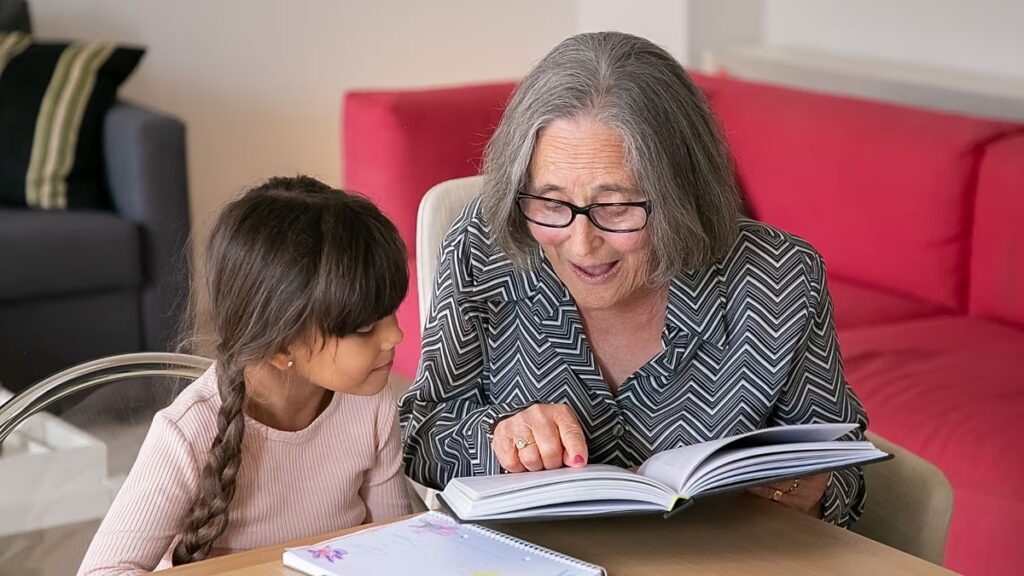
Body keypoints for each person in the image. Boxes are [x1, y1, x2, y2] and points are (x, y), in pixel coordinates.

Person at [400, 32, 869, 526]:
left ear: (681, 194)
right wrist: (498, 437)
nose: (581, 245)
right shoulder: (485, 246)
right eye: (552, 204)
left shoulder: (779, 276)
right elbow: (421, 432)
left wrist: (808, 489)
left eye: (617, 207)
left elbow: (843, 464)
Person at [79, 176, 411, 574]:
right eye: (364, 328)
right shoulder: (188, 433)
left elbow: (398, 548)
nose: (396, 335)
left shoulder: (371, 403)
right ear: (281, 347)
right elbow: (103, 570)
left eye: (391, 312)